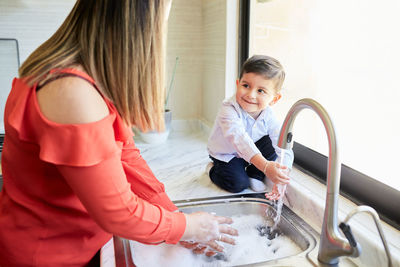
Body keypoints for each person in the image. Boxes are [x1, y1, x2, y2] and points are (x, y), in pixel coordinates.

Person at [0, 1, 237, 266]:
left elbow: (127, 157)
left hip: (75, 243)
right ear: (140, 24)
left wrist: (176, 220)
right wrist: (186, 226)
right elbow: (119, 213)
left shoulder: (84, 79)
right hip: (49, 255)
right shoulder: (72, 93)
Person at [206, 55, 294, 196]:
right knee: (238, 184)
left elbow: (283, 146)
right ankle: (212, 169)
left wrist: (282, 174)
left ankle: (255, 174)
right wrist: (265, 166)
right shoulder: (228, 108)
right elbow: (240, 140)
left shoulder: (269, 115)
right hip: (227, 154)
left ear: (274, 99)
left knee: (273, 141)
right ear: (238, 84)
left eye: (261, 91)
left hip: (251, 152)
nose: (251, 95)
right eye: (246, 86)